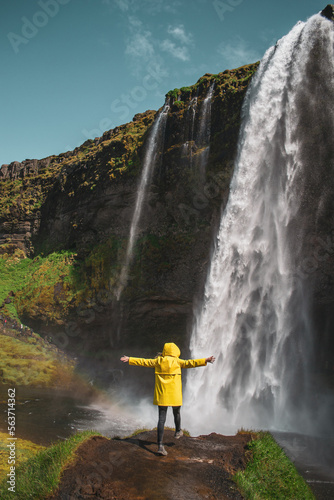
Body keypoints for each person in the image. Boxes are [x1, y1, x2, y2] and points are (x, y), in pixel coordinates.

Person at [120, 342, 215, 456]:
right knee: (177, 412)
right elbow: (191, 363)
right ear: (175, 352)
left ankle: (160, 445)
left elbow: (143, 361)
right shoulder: (177, 361)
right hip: (174, 395)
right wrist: (206, 360)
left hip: (162, 395)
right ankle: (178, 431)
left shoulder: (158, 361)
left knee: (161, 419)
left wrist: (130, 359)